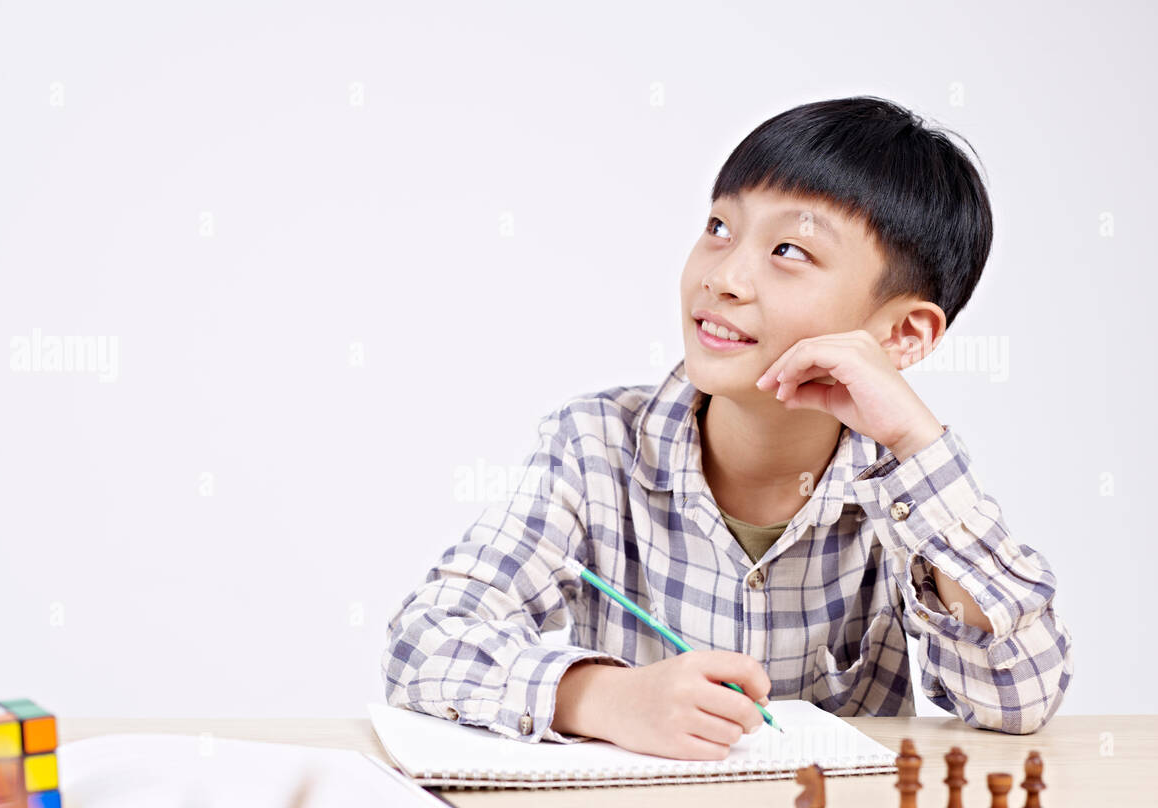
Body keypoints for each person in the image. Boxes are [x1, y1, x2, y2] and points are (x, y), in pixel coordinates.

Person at [380, 96, 1073, 760]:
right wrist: (606, 697)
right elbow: (423, 640)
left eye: (790, 252)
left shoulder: (905, 490)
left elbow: (1022, 696)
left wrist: (917, 443)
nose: (726, 277)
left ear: (902, 334)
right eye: (719, 228)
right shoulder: (595, 445)